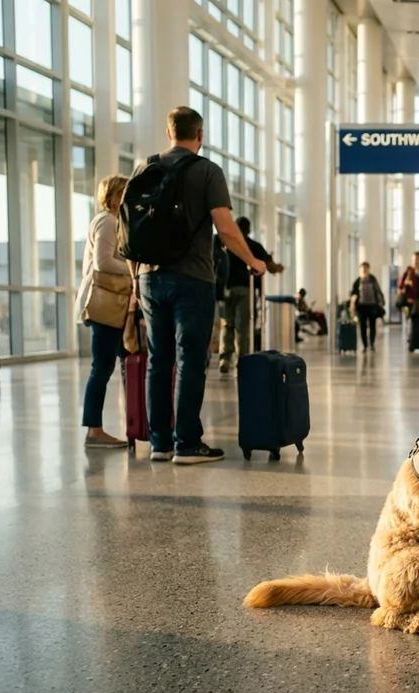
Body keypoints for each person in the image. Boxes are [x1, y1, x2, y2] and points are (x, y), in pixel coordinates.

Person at [130, 106, 267, 465]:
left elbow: (132, 231)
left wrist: (135, 279)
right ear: (200, 135)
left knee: (158, 361)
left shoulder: (145, 168)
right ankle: (187, 444)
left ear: (168, 132)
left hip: (149, 277)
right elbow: (225, 227)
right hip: (192, 278)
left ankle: (160, 443)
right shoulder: (207, 171)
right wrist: (252, 261)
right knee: (191, 359)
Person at [74, 174, 133, 448]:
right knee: (102, 367)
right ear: (114, 197)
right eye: (125, 194)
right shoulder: (108, 221)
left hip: (112, 305)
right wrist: (133, 270)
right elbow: (102, 263)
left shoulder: (112, 221)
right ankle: (94, 431)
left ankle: (131, 423)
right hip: (105, 305)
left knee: (122, 362)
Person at [217, 216, 284, 373]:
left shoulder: (227, 245)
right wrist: (279, 268)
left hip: (227, 290)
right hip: (245, 290)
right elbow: (270, 267)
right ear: (249, 229)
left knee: (227, 324)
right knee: (243, 327)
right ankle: (242, 360)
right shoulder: (253, 246)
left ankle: (224, 359)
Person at [349, 261, 386, 351]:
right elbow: (353, 293)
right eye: (363, 270)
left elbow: (378, 291)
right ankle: (365, 345)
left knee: (372, 325)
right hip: (361, 307)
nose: (364, 271)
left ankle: (372, 343)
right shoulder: (357, 282)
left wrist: (381, 302)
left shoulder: (373, 280)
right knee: (363, 326)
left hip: (372, 306)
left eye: (366, 269)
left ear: (368, 270)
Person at [397, 251, 419, 316]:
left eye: (418, 259)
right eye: (415, 259)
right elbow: (401, 285)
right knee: (408, 317)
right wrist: (406, 283)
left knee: (418, 318)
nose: (416, 261)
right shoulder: (409, 270)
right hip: (409, 300)